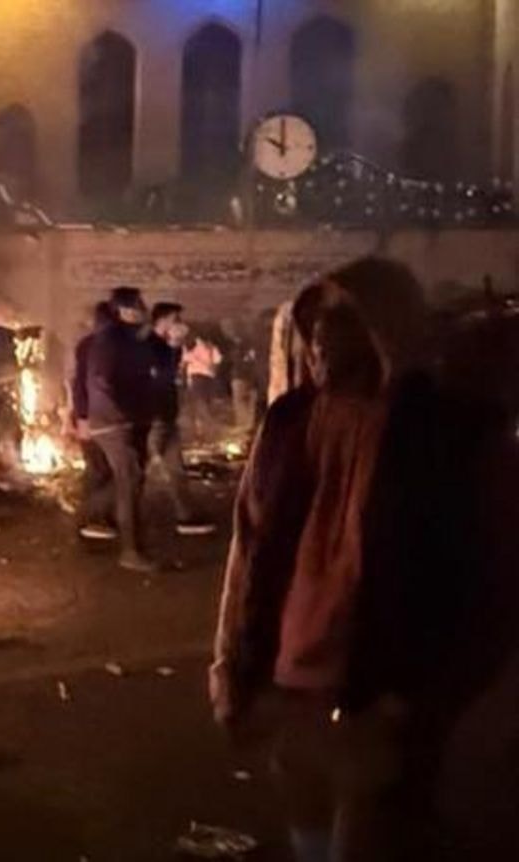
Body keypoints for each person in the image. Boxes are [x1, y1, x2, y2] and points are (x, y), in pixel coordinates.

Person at [211, 258, 515, 862]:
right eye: (316, 320)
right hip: (288, 687)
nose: (322, 335)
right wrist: (231, 668)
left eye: (345, 318)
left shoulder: (450, 432)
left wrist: (420, 700)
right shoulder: (289, 420)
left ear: (388, 328)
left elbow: (493, 582)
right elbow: (249, 547)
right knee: (309, 829)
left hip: (379, 697)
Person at [86, 286, 157, 571]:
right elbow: (103, 381)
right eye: (138, 304)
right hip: (114, 423)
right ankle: (130, 551)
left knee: (129, 481)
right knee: (129, 482)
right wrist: (125, 413)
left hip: (121, 421)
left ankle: (96, 517)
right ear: (124, 311)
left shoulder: (124, 338)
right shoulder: (111, 341)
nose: (143, 309)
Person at [147, 302, 216, 536]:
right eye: (176, 319)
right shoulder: (148, 345)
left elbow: (172, 373)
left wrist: (175, 346)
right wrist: (174, 345)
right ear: (162, 321)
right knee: (133, 473)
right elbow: (161, 376)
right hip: (152, 417)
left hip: (166, 416)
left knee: (176, 470)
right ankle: (98, 514)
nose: (180, 324)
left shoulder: (165, 346)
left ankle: (185, 516)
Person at [70, 301, 117, 540]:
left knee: (104, 469)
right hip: (96, 418)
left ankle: (100, 518)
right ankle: (91, 518)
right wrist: (83, 418)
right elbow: (80, 383)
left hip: (101, 417)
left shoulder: (93, 344)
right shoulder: (91, 346)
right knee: (102, 470)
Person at [183, 330, 223, 438]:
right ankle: (204, 430)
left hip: (196, 377)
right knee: (206, 403)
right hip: (209, 378)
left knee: (199, 404)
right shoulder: (211, 347)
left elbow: (184, 360)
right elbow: (218, 361)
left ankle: (208, 429)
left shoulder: (190, 345)